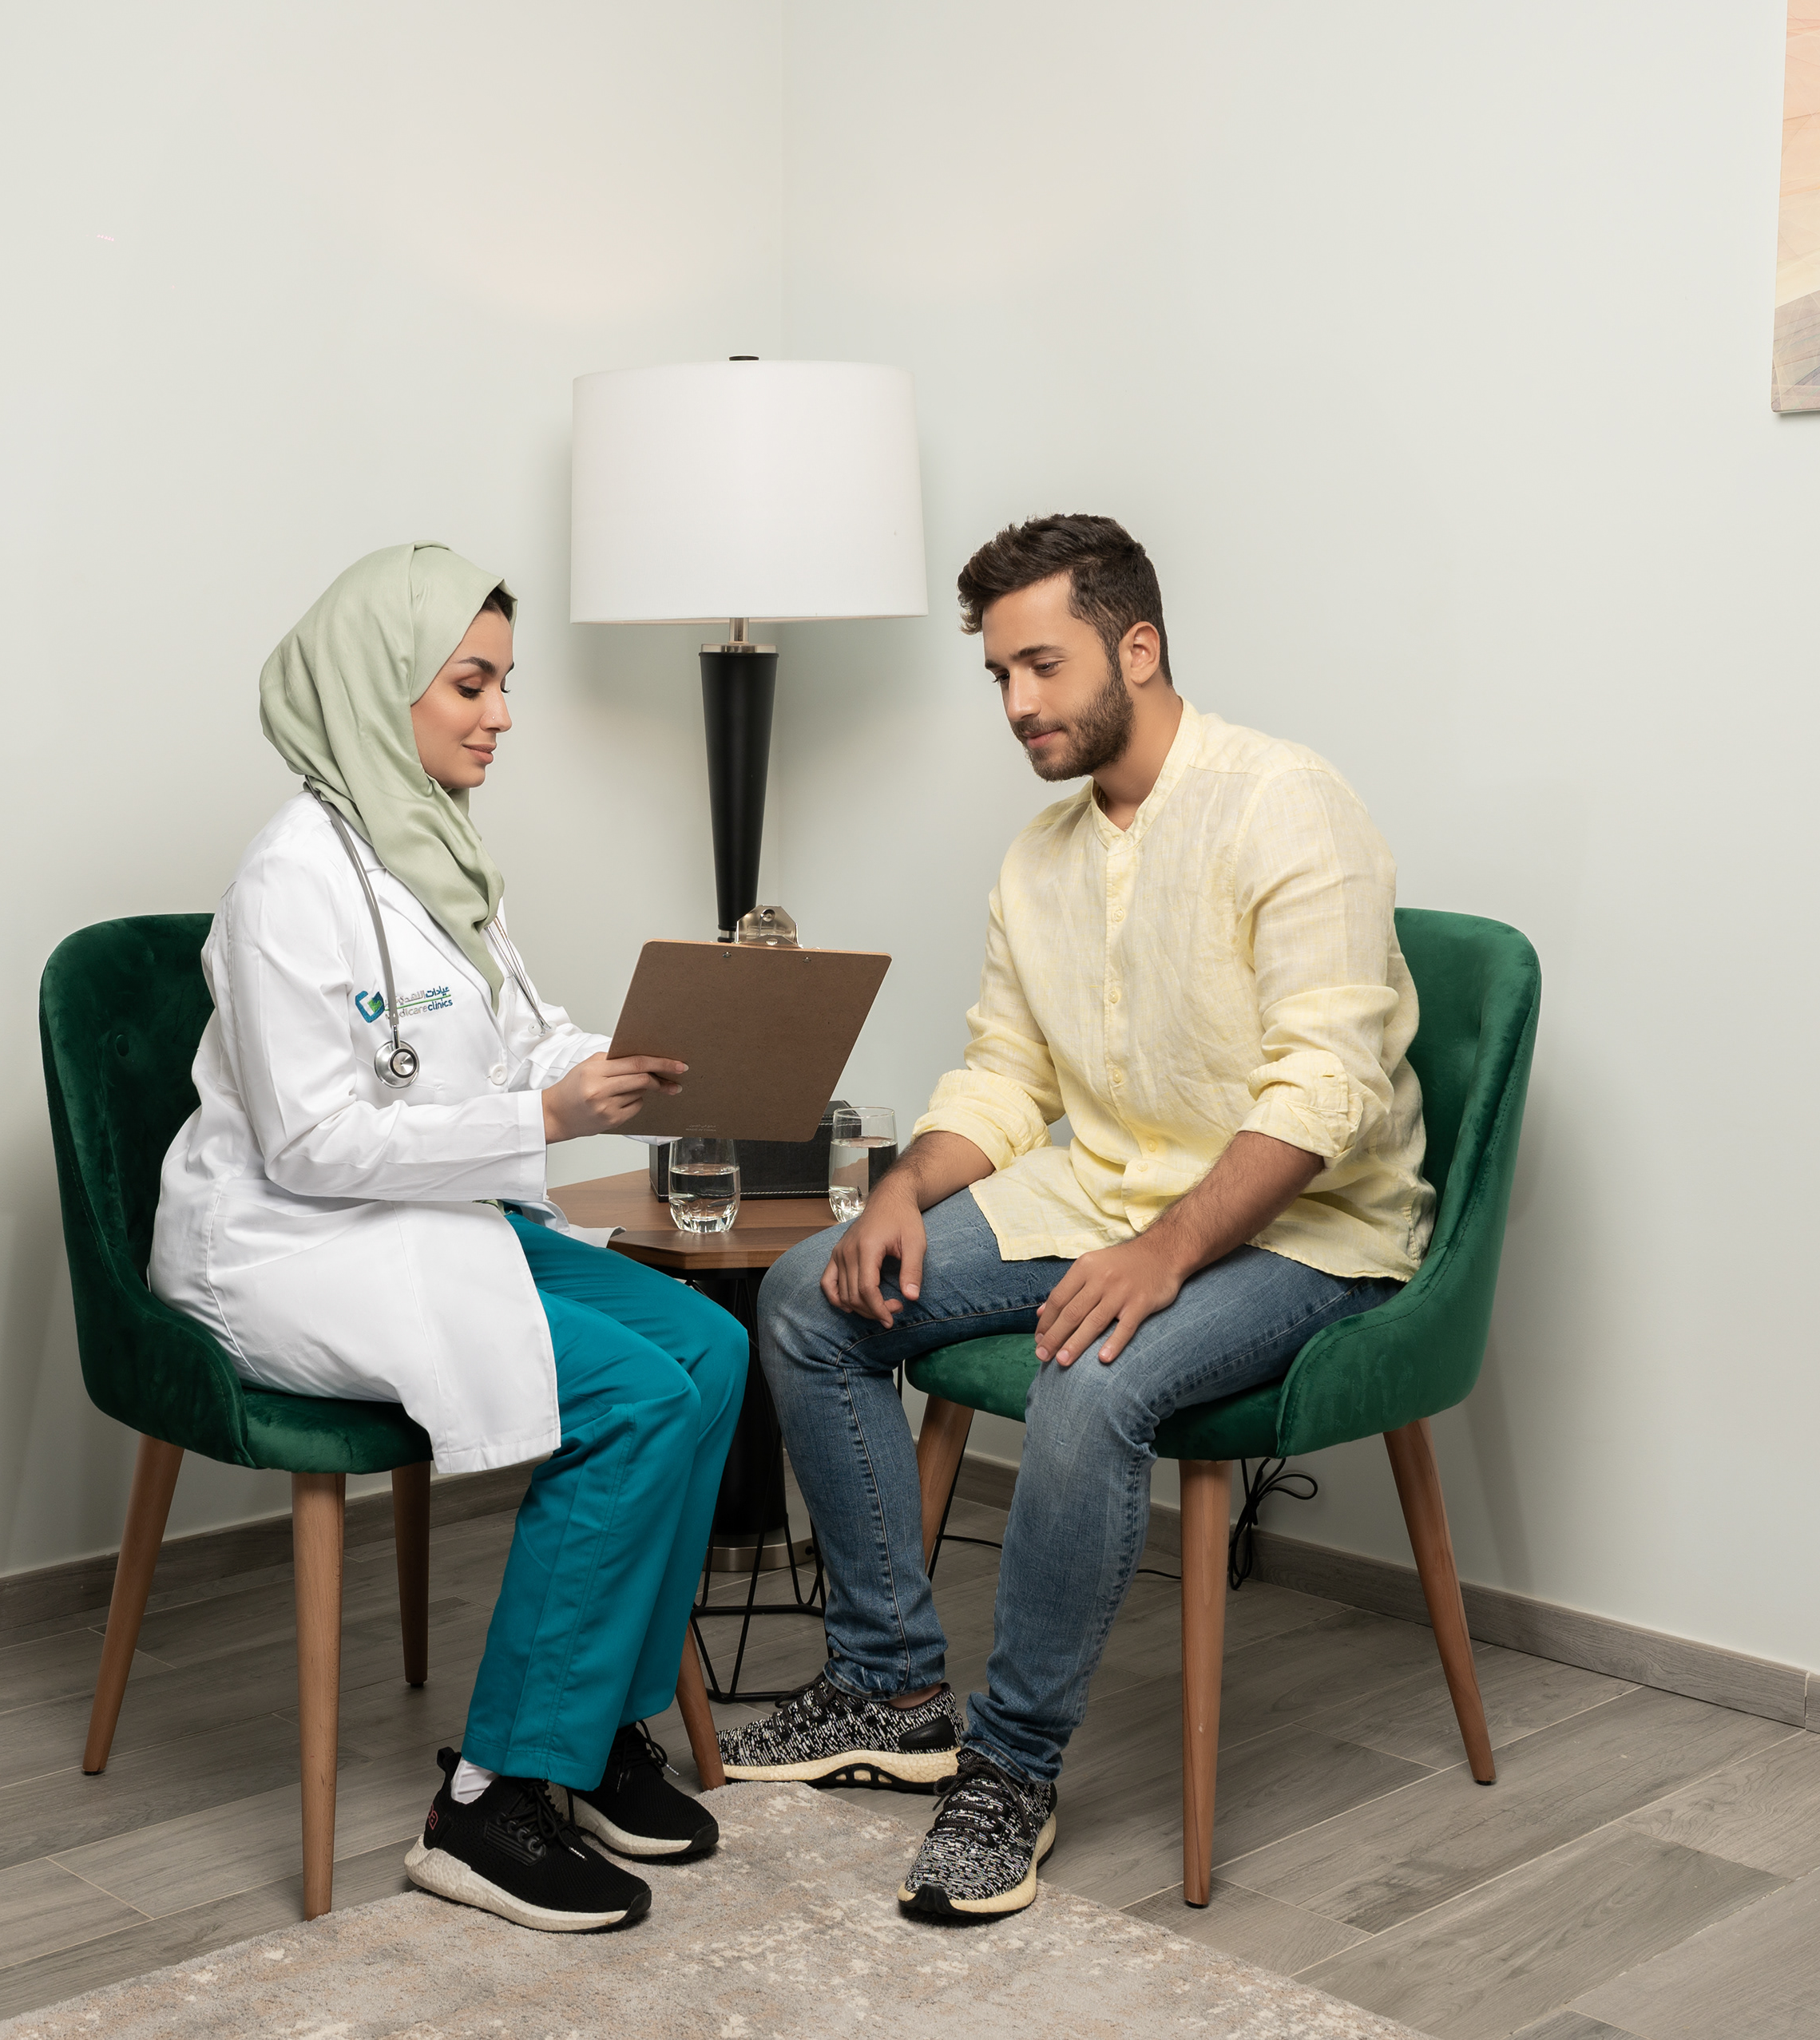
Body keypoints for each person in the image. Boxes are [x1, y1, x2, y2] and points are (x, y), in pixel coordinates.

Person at [720, 514, 1435, 1922]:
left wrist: (1162, 1254)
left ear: (1138, 647)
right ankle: (890, 1693)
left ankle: (1012, 1769)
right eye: (999, 675)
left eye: (1042, 665)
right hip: (1105, 1189)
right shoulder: (1039, 857)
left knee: (1090, 1371)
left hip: (1308, 1228)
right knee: (809, 1295)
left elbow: (1327, 1090)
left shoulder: (1289, 803)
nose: (1017, 703)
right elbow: (1006, 1074)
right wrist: (901, 1189)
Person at [149, 543, 746, 1934]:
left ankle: (591, 1732)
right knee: (634, 1400)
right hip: (294, 1241)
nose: (501, 715)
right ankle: (489, 1801)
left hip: (431, 1210)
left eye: (503, 684)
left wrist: (628, 1063)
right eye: (471, 684)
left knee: (710, 1354)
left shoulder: (436, 851)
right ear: (381, 686)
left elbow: (518, 1036)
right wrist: (544, 1117)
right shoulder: (290, 883)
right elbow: (309, 1144)